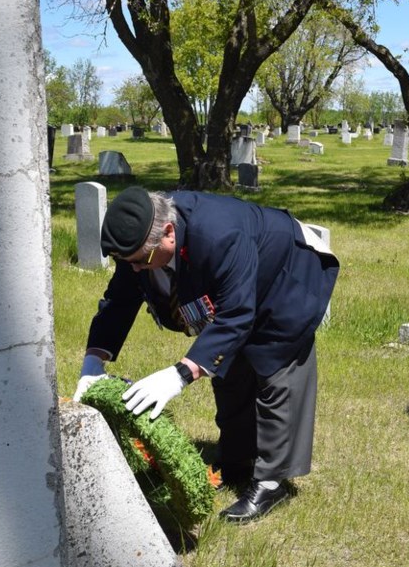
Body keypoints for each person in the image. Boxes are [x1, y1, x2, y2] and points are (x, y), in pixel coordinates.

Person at [73, 187, 339, 523]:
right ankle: (236, 461)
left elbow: (237, 314)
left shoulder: (219, 235)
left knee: (275, 367)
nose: (136, 269)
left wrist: (180, 374)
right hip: (240, 279)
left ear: (168, 232)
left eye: (140, 260)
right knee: (229, 371)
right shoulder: (141, 240)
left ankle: (272, 479)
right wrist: (93, 363)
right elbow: (119, 301)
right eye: (129, 261)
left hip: (287, 272)